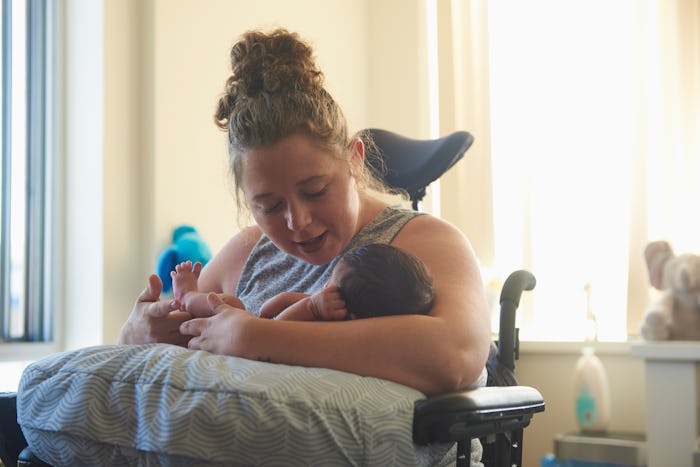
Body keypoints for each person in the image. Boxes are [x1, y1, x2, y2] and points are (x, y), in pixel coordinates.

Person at [118, 28, 491, 396]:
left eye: (315, 190)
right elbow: (162, 341)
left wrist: (256, 336)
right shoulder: (245, 254)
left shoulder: (424, 241)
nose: (298, 221)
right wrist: (135, 334)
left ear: (355, 161)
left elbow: (455, 357)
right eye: (270, 206)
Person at [171, 243, 435, 322]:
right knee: (232, 304)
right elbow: (272, 307)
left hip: (245, 336)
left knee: (227, 305)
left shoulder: (335, 328)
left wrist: (311, 309)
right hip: (254, 323)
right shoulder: (334, 312)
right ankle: (189, 297)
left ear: (351, 313)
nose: (323, 288)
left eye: (331, 285)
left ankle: (188, 296)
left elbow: (274, 329)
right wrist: (305, 302)